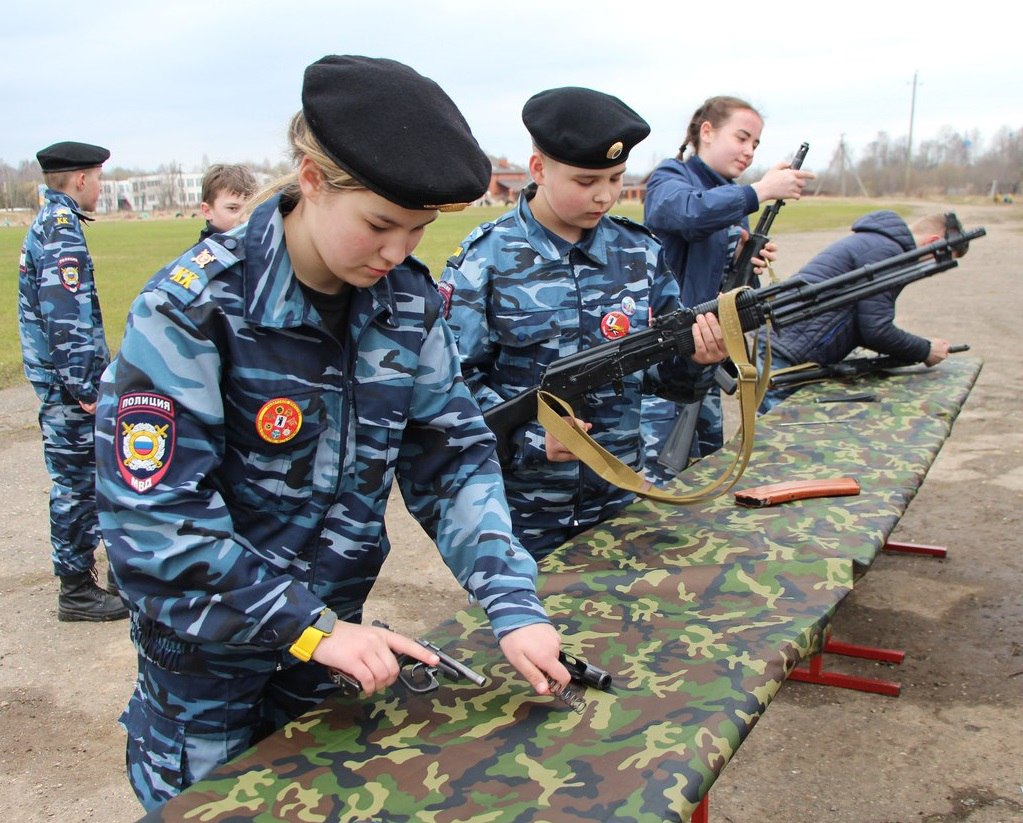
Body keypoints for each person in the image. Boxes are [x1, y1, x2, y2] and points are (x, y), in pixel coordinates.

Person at [94, 55, 570, 810]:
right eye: (379, 224)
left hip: (326, 663)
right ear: (311, 178)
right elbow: (152, 522)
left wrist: (512, 602)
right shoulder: (194, 310)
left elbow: (452, 461)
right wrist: (310, 626)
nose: (397, 253)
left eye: (417, 231)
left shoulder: (404, 304)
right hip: (208, 677)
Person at [439, 86, 729, 560]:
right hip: (519, 510)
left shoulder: (640, 251)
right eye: (586, 180)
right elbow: (454, 384)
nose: (605, 195)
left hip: (619, 497)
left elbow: (663, 375)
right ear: (538, 170)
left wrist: (696, 358)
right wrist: (535, 437)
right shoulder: (485, 260)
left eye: (616, 178)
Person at [642, 95, 814, 465]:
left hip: (708, 357)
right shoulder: (670, 177)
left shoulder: (733, 199)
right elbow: (688, 214)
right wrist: (761, 190)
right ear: (707, 132)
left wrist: (746, 263)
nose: (749, 151)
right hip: (665, 360)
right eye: (741, 138)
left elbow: (733, 293)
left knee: (706, 470)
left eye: (755, 144)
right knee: (659, 477)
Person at [17, 140, 127, 622]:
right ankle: (77, 591)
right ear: (81, 179)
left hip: (59, 385)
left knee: (77, 484)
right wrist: (87, 388)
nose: (100, 189)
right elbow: (66, 317)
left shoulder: (49, 223)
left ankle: (80, 583)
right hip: (69, 391)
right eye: (98, 179)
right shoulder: (62, 230)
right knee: (79, 487)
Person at [757, 210, 959, 412]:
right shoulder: (886, 251)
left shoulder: (877, 243)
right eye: (940, 261)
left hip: (784, 350)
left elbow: (864, 322)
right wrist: (926, 350)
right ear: (933, 242)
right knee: (783, 436)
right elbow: (876, 330)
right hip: (786, 357)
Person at [197, 162, 258, 241]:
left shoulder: (261, 250)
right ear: (207, 211)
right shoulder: (198, 253)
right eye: (233, 208)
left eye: (250, 210)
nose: (245, 219)